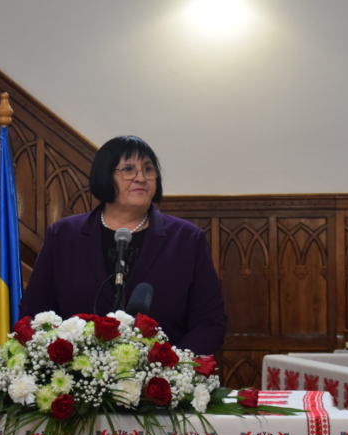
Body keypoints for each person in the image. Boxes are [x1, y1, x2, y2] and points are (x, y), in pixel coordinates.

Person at [19, 136, 227, 355]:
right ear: (104, 176)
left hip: (163, 373)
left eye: (148, 169)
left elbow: (210, 322)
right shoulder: (63, 235)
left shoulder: (186, 239)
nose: (141, 178)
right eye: (128, 169)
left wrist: (172, 365)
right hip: (76, 372)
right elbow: (34, 315)